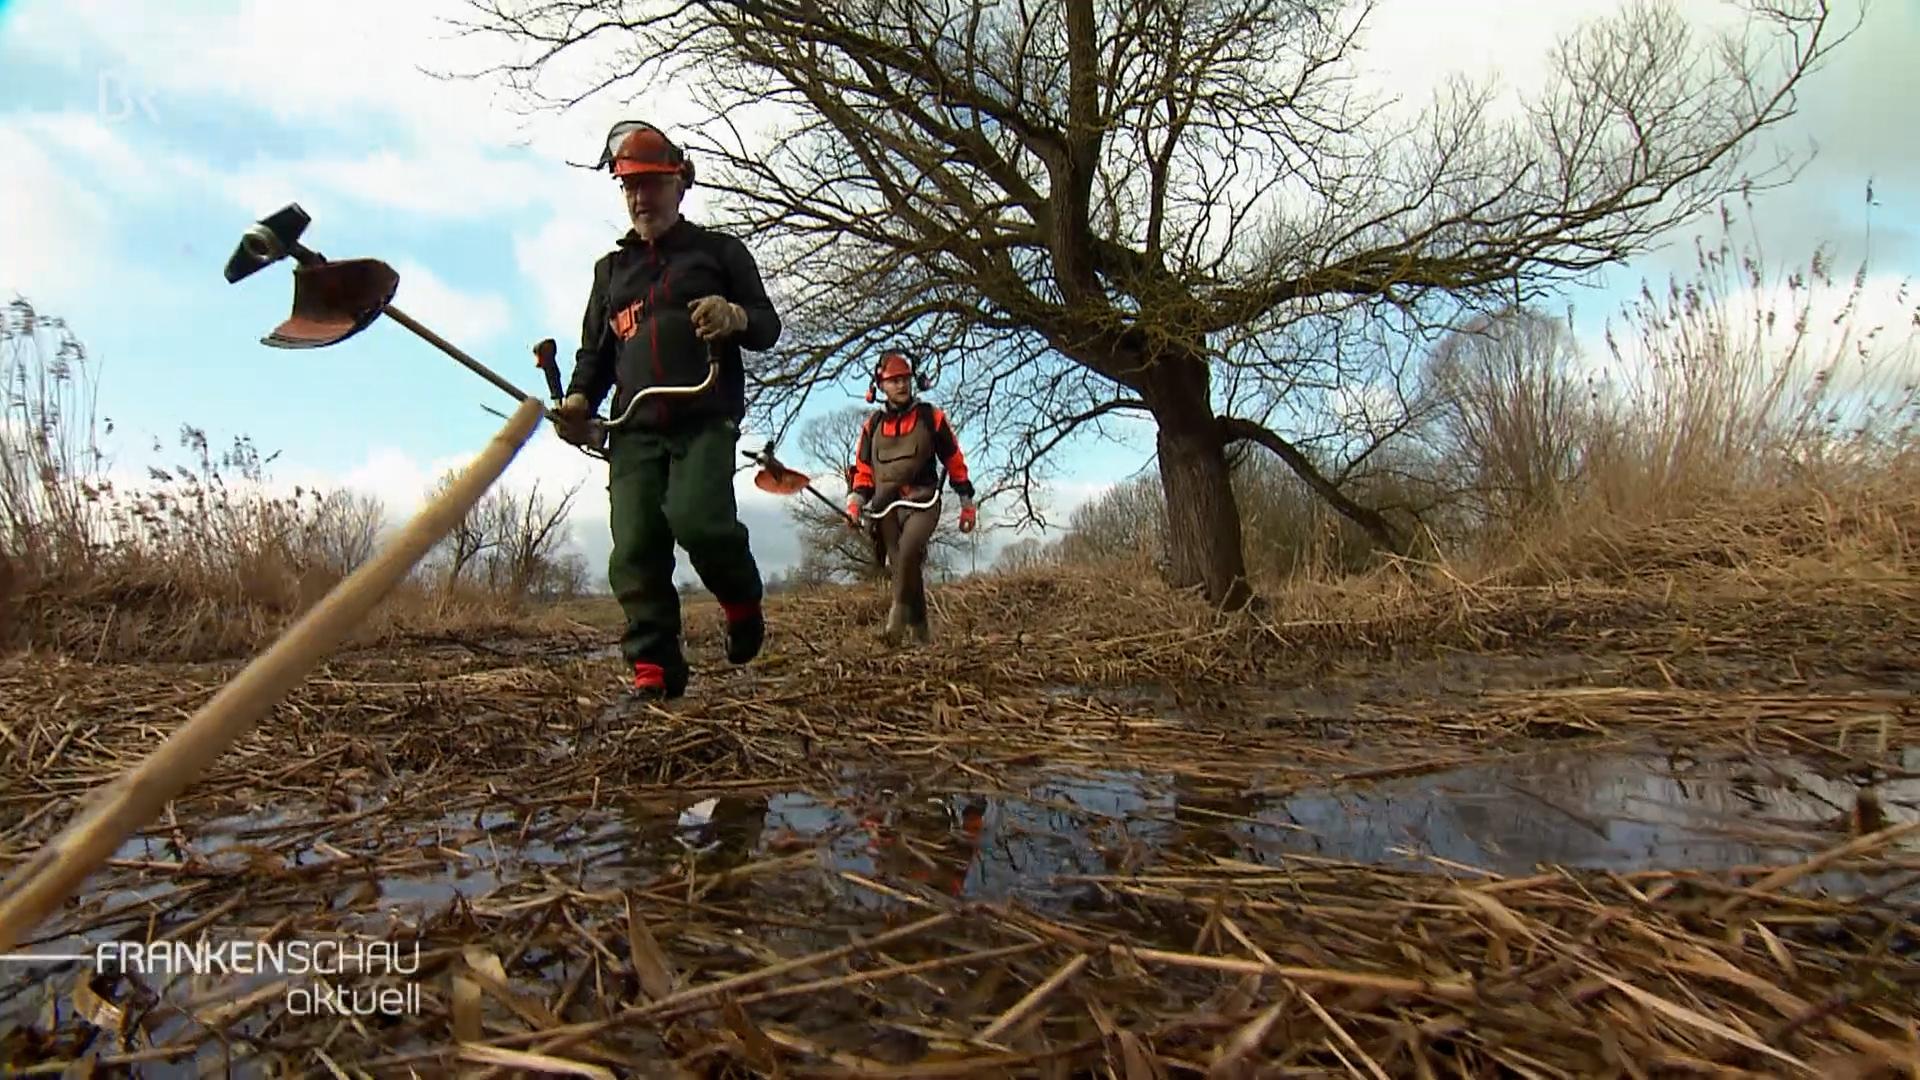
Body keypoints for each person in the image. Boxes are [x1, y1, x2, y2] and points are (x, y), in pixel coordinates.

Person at [552, 121, 782, 700]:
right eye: (628, 186)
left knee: (698, 518)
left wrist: (735, 316)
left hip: (704, 415)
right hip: (632, 429)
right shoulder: (611, 273)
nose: (639, 198)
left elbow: (767, 326)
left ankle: (741, 603)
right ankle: (655, 669)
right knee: (634, 545)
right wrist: (579, 401)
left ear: (679, 183)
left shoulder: (719, 252)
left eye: (651, 184)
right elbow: (595, 357)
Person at [844, 350, 977, 645]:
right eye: (893, 381)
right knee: (904, 568)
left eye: (904, 379)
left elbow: (954, 460)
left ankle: (895, 624)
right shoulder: (873, 426)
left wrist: (967, 503)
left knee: (908, 551)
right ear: (880, 386)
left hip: (923, 500)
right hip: (885, 507)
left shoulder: (932, 417)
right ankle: (922, 635)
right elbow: (863, 471)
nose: (901, 386)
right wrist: (855, 503)